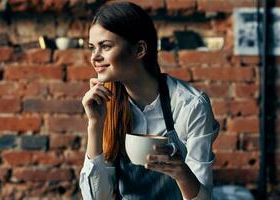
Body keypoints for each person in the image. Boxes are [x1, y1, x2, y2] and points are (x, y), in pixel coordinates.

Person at [79, 1, 219, 200]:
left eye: (106, 46)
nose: (95, 57)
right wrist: (95, 125)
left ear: (139, 50)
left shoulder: (190, 105)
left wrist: (182, 173)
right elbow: (96, 198)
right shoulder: (105, 102)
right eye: (92, 48)